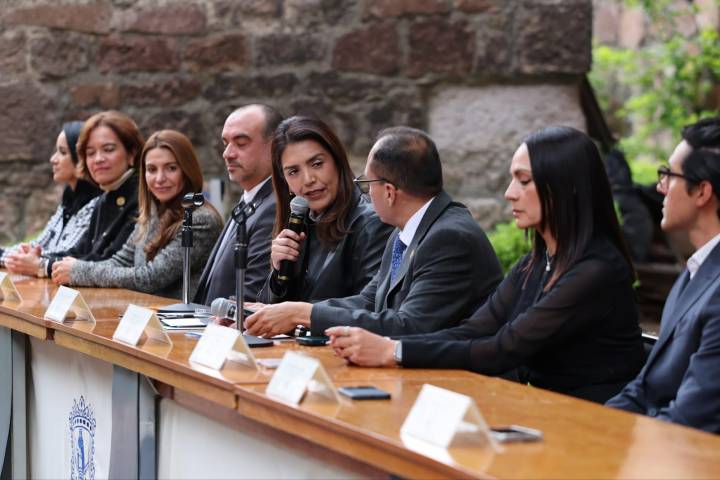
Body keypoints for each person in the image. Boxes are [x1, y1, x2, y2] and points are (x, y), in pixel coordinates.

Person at [327, 126, 645, 404]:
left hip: (596, 421)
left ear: (564, 187)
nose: (509, 194)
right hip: (544, 408)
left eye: (523, 181)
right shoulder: (535, 263)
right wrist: (387, 346)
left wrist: (393, 351)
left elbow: (503, 348)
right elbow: (473, 330)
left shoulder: (596, 270)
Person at [245, 126, 502, 338]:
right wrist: (291, 310)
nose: (366, 193)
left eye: (367, 183)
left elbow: (409, 326)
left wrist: (302, 314)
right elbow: (370, 301)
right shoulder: (403, 234)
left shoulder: (449, 238)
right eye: (293, 171)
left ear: (389, 192)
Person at [607, 117, 720, 432]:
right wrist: (593, 426)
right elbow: (644, 386)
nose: (660, 187)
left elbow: (691, 418)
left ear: (702, 192)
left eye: (669, 175)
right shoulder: (695, 270)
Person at [51, 130, 223, 299]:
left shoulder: (201, 220)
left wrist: (81, 271)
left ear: (187, 170)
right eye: (152, 169)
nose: (159, 178)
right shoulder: (153, 212)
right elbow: (121, 261)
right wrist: (74, 269)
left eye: (171, 168)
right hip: (145, 312)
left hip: (177, 316)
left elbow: (150, 278)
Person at [258, 116, 392, 305]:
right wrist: (279, 274)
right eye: (293, 172)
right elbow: (268, 312)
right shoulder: (300, 227)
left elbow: (372, 306)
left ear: (338, 162)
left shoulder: (371, 223)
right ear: (285, 182)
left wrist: (298, 313)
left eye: (317, 164)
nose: (308, 179)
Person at [15, 111, 144, 278]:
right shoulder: (105, 198)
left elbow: (110, 263)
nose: (98, 159)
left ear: (132, 153)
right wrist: (36, 259)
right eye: (90, 153)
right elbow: (80, 252)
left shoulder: (142, 197)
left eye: (108, 149)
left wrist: (43, 265)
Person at [193, 104, 283, 305]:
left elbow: (251, 297)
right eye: (225, 143)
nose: (227, 153)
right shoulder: (252, 197)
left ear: (275, 146)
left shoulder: (275, 206)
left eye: (241, 143)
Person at [2, 121, 101, 276]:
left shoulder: (98, 204)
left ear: (80, 158)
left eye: (62, 152)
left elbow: (69, 256)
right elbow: (39, 245)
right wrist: (8, 255)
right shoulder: (70, 198)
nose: (53, 159)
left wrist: (33, 262)